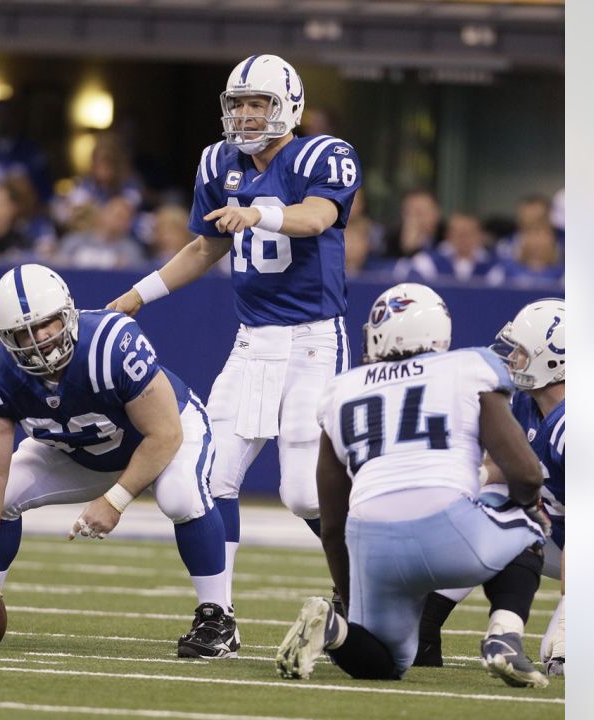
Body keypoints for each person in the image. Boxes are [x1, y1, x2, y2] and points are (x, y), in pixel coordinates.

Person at [108, 54, 361, 623]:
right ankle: (216, 615)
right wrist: (134, 297)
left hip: (314, 340)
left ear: (288, 105)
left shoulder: (323, 154)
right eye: (239, 104)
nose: (246, 116)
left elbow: (317, 218)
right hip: (253, 342)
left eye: (259, 104)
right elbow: (203, 247)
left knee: (301, 492)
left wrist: (258, 215)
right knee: (210, 477)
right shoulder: (217, 161)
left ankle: (365, 586)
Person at [274, 283, 552, 689]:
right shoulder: (468, 367)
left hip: (371, 541)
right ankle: (504, 637)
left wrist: (354, 603)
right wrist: (531, 508)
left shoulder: (341, 390)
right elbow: (524, 472)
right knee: (526, 527)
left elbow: (333, 525)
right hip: (452, 531)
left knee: (386, 661)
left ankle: (334, 631)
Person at [0, 264, 235, 658]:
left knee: (180, 497)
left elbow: (165, 434)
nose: (39, 341)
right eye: (23, 333)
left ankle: (218, 618)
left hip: (165, 433)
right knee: (4, 495)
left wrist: (115, 500)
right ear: (4, 337)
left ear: (68, 313)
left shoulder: (110, 341)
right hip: (74, 449)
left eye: (47, 324)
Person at [413, 299, 566, 676]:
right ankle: (423, 624)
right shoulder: (528, 404)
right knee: (483, 503)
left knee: (561, 659)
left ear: (553, 359)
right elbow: (501, 466)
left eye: (522, 351)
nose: (512, 358)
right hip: (558, 536)